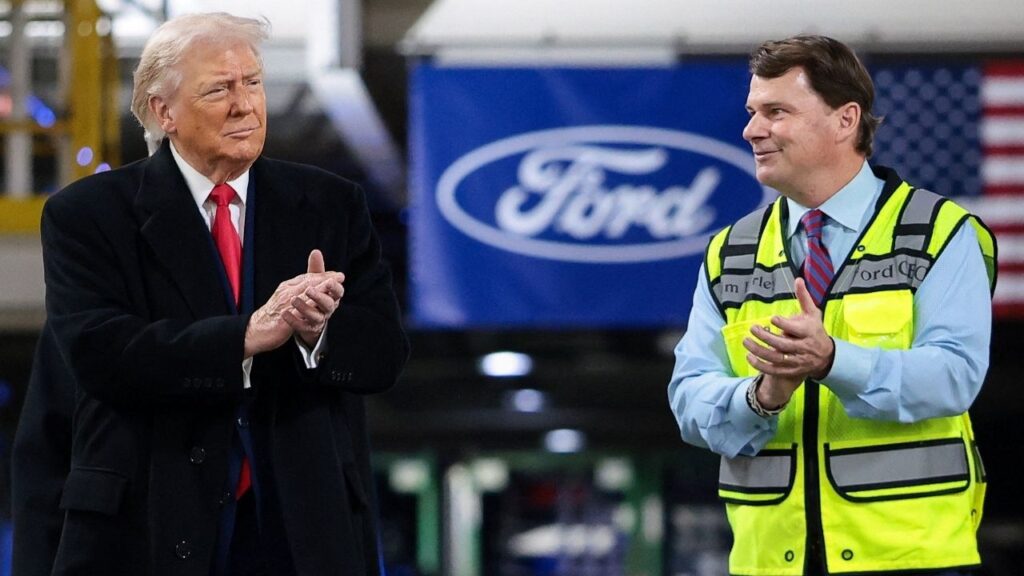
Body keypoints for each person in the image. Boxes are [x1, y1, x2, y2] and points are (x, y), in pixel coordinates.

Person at [13, 12, 409, 576]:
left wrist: (317, 334)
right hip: (145, 531)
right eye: (220, 88)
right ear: (163, 111)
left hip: (302, 534)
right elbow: (104, 356)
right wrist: (247, 337)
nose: (245, 104)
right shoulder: (88, 216)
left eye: (253, 82)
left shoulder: (329, 205)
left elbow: (383, 355)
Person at [667, 35, 997, 576]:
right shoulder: (729, 254)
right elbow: (689, 400)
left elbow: (955, 376)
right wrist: (762, 396)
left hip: (910, 559)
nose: (752, 130)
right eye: (752, 112)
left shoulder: (940, 234)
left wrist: (831, 361)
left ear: (846, 120)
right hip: (772, 560)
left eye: (776, 111)